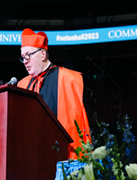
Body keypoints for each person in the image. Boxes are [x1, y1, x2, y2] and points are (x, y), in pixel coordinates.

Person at [17, 28, 91, 159]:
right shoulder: (22, 85)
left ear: (43, 54)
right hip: (32, 157)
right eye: (23, 57)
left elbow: (76, 126)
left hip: (60, 156)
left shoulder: (68, 79)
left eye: (29, 55)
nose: (25, 61)